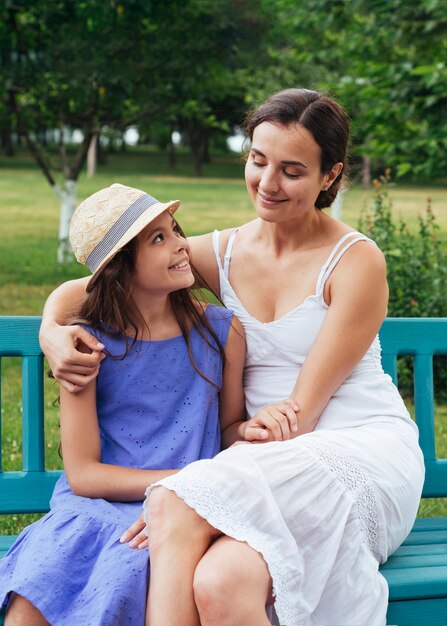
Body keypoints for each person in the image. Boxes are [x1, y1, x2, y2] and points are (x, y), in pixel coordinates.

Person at [39, 89, 424, 626]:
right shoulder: (216, 253)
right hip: (258, 460)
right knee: (220, 584)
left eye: (292, 170)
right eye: (258, 161)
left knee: (172, 505)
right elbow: (92, 285)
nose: (267, 184)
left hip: (353, 452)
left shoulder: (355, 261)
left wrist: (204, 486)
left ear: (330, 176)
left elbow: (299, 416)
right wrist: (50, 332)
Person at [0, 183, 252, 626]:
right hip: (98, 508)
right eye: (158, 239)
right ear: (120, 270)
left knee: (129, 572)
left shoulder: (221, 334)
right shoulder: (87, 344)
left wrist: (215, 469)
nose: (180, 245)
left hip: (188, 509)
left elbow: (231, 428)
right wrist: (180, 481)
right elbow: (83, 474)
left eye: (174, 230)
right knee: (29, 606)